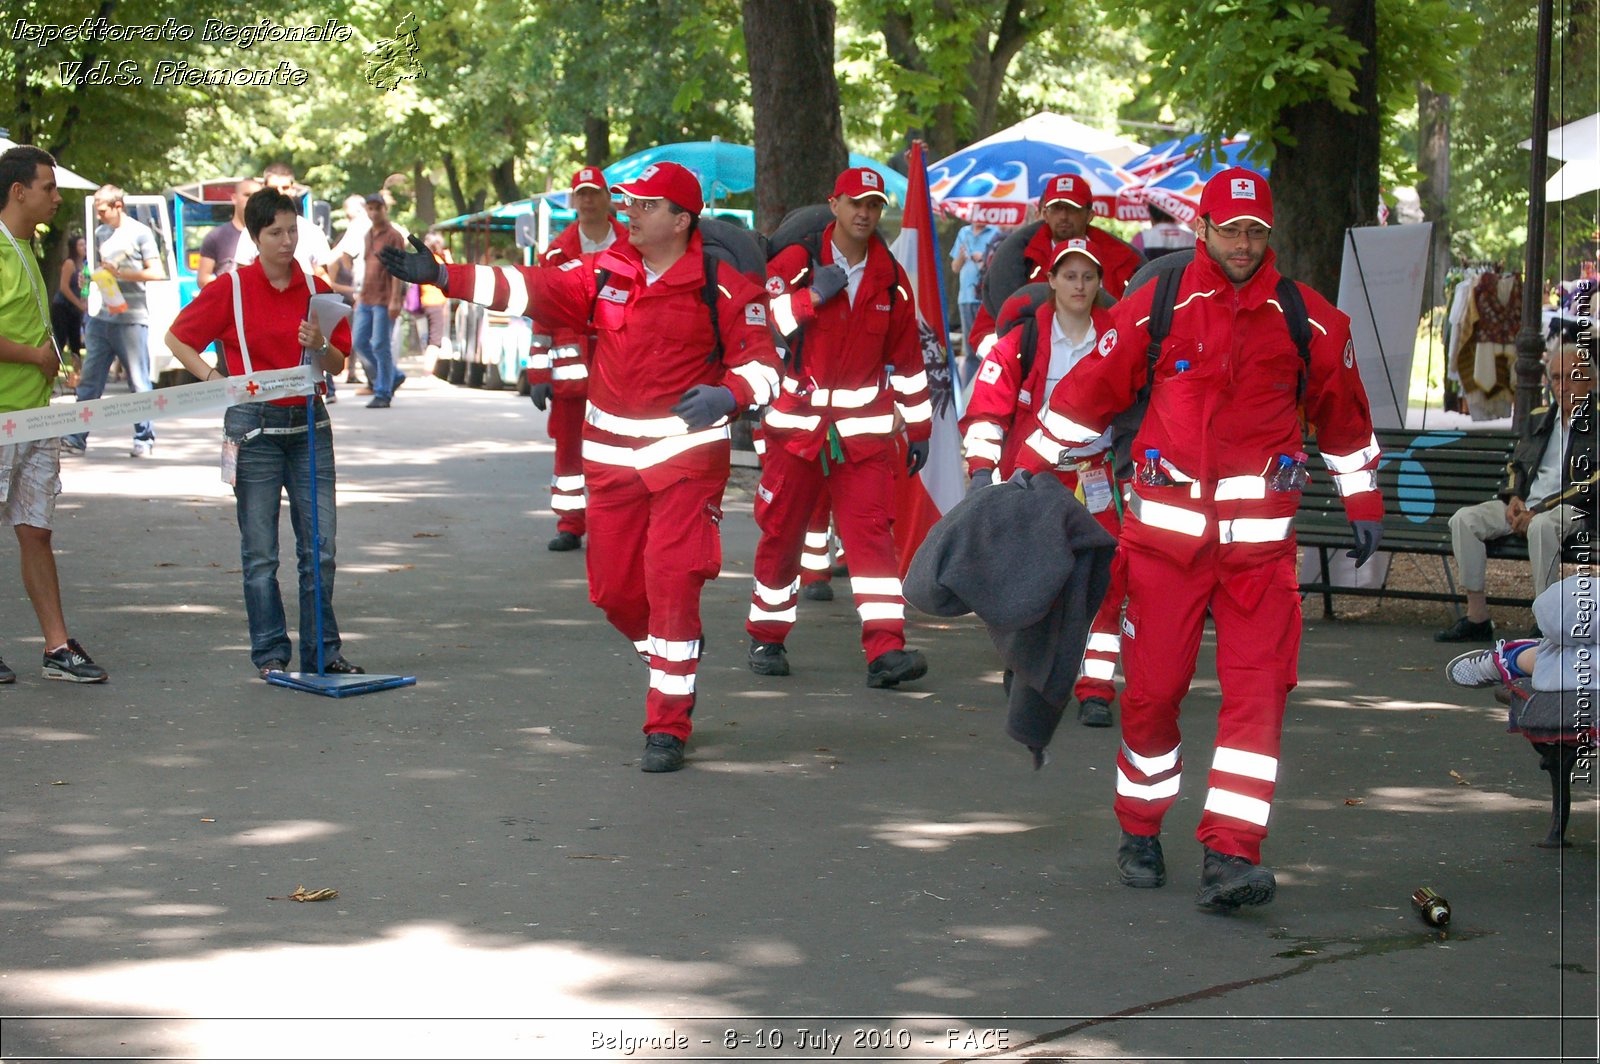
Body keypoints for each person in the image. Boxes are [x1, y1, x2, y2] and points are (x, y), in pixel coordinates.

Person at [1021, 167, 1384, 909]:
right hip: (1163, 553)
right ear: (1203, 230)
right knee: (1152, 697)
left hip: (1260, 559)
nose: (1244, 245)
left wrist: (1362, 493)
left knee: (1259, 701)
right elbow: (1087, 395)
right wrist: (1025, 473)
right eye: (1230, 230)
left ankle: (1231, 852)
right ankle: (1141, 828)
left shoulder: (1307, 320)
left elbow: (1343, 412)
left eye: (1256, 231)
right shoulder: (1158, 302)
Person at [381, 160, 781, 773]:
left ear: (680, 220)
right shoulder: (604, 272)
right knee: (614, 594)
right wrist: (444, 274)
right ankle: (676, 657)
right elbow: (531, 288)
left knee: (672, 583)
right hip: (612, 463)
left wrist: (730, 393)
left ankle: (667, 723)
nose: (630, 213)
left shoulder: (722, 284)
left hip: (685, 463)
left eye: (645, 206)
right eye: (630, 204)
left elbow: (765, 365)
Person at [163, 186, 364, 681]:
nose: (286, 241)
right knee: (260, 553)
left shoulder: (317, 288)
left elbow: (339, 362)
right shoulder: (232, 287)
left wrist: (320, 346)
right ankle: (271, 653)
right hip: (253, 429)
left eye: (292, 230)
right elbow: (177, 337)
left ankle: (322, 650)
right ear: (255, 237)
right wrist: (215, 380)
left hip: (309, 426)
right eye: (275, 232)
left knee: (320, 547)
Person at [747, 166, 932, 689]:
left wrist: (920, 430)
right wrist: (810, 298)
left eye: (873, 204)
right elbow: (758, 323)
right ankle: (767, 635)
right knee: (780, 537)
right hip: (796, 432)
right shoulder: (796, 263)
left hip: (864, 438)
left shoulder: (892, 280)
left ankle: (886, 650)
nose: (865, 213)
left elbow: (910, 361)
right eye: (855, 202)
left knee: (873, 542)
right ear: (835, 205)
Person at [961, 238, 1123, 726]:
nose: (1079, 285)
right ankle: (1027, 668)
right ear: (1050, 281)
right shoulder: (1021, 341)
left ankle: (1095, 687)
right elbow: (987, 411)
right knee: (1031, 580)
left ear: (1100, 283)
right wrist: (982, 471)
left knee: (1107, 581)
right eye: (1069, 275)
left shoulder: (1119, 338)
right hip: (1033, 477)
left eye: (1088, 276)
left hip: (1096, 477)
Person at [0, 145, 108, 683]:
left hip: (36, 418)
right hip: (2, 417)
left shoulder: (26, 246)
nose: (55, 197)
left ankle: (57, 647)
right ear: (18, 191)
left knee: (36, 530)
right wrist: (35, 356)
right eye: (48, 187)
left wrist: (48, 361)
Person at [1434, 341, 1594, 643]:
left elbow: (1591, 483)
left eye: (1572, 376)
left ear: (1590, 381)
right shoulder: (1539, 417)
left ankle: (1546, 622)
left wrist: (1539, 509)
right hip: (1529, 505)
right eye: (1557, 378)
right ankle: (1476, 617)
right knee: (1463, 520)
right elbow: (1517, 465)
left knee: (1542, 526)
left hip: (1573, 507)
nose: (1563, 386)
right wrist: (1514, 498)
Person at [529, 167, 627, 552]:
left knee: (618, 447)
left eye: (594, 193)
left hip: (619, 366)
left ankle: (613, 522)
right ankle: (570, 523)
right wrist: (537, 372)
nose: (588, 201)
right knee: (569, 449)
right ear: (573, 201)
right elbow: (542, 313)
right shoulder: (556, 252)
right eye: (581, 194)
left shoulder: (631, 243)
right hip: (571, 373)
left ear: (608, 197)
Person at [968, 174, 1143, 360]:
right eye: (1056, 208)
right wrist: (1008, 358)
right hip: (1033, 370)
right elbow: (983, 331)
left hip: (1104, 364)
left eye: (1072, 208)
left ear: (1090, 215)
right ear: (1044, 213)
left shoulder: (1122, 261)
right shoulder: (1015, 261)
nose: (1064, 216)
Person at [64, 184, 164, 458]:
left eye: (103, 210)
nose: (99, 216)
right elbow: (97, 266)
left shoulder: (140, 233)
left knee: (138, 382)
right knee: (90, 381)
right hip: (100, 315)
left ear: (118, 206)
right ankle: (76, 437)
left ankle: (144, 437)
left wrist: (122, 273)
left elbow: (156, 271)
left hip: (131, 317)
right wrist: (88, 277)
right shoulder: (100, 232)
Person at [333, 193, 407, 408]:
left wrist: (395, 299)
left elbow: (397, 270)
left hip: (385, 298)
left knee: (380, 345)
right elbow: (365, 266)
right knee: (359, 342)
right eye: (370, 209)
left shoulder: (394, 236)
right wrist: (359, 294)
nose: (374, 213)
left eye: (378, 208)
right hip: (366, 296)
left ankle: (383, 391)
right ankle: (392, 375)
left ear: (385, 209)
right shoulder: (368, 234)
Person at [950, 217, 1001, 366]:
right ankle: (969, 382)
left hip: (985, 298)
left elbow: (998, 264)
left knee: (985, 342)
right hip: (966, 296)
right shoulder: (963, 233)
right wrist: (961, 257)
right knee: (969, 345)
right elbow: (955, 267)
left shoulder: (995, 232)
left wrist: (983, 258)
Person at [196, 178, 262, 289]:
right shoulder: (215, 237)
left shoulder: (271, 235)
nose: (253, 200)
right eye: (247, 195)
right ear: (234, 198)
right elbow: (203, 279)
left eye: (258, 196)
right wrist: (231, 284)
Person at [50, 230, 87, 376]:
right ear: (74, 248)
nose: (84, 247)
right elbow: (64, 288)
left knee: (76, 343)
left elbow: (83, 288)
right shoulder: (69, 263)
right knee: (60, 341)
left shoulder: (84, 265)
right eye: (81, 244)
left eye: (85, 244)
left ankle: (76, 378)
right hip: (62, 307)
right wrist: (79, 304)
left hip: (74, 310)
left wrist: (84, 301)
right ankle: (52, 375)